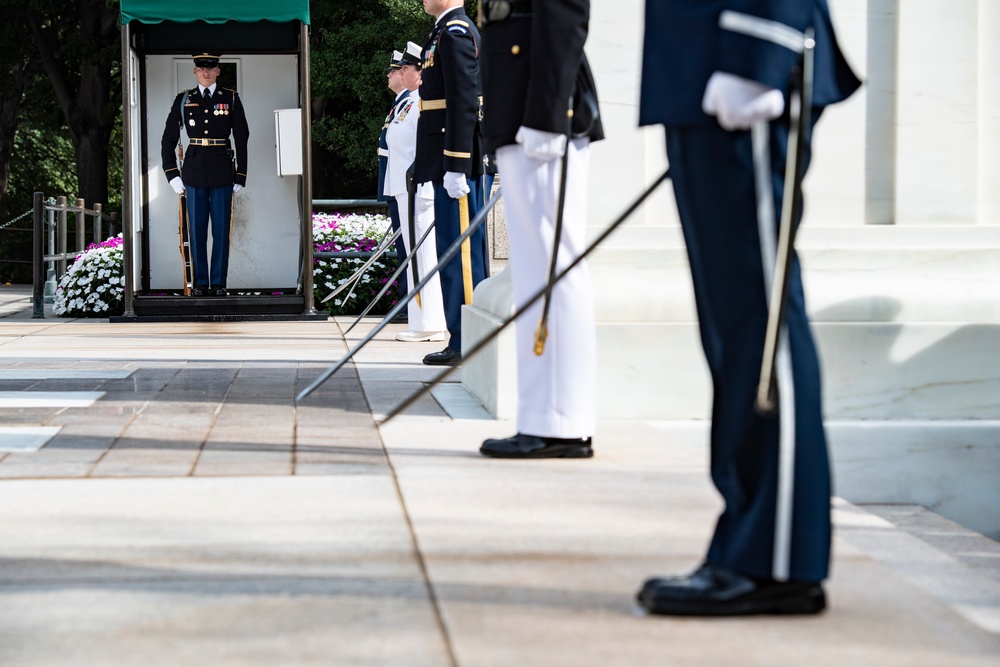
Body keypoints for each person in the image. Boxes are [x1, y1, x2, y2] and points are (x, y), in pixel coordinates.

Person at [635, 1, 861, 615]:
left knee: (761, 328)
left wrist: (759, 47)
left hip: (739, 59)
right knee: (737, 329)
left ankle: (776, 554)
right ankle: (752, 541)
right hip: (701, 68)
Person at [477, 0, 603, 459]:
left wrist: (549, 114)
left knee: (554, 267)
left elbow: (565, 11)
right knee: (535, 270)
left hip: (540, 112)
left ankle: (562, 421)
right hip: (520, 105)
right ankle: (544, 418)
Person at [414, 0, 489, 366]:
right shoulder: (443, 32)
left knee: (462, 255)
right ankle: (461, 336)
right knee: (451, 252)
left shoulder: (455, 32)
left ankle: (468, 340)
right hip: (443, 158)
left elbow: (464, 101)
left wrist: (457, 164)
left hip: (453, 162)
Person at [160, 52, 250, 297]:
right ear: (195, 71)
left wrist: (240, 173)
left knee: (221, 230)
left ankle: (219, 283)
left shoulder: (230, 98)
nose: (206, 72)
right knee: (197, 230)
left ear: (219, 70)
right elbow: (169, 138)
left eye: (211, 68)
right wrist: (171, 174)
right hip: (194, 170)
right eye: (201, 68)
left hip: (222, 170)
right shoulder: (184, 100)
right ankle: (200, 283)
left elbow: (241, 137)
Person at [384, 42, 448, 342]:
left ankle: (431, 322)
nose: (402, 72)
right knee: (414, 256)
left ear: (419, 73)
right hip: (403, 185)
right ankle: (421, 320)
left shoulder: (422, 101)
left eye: (407, 68)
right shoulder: (408, 103)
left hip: (417, 187)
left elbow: (427, 145)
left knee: (424, 255)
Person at [378, 50, 411, 302]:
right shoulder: (400, 103)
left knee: (408, 246)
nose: (390, 75)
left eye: (395, 70)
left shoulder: (410, 103)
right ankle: (406, 299)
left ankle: (409, 300)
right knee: (403, 247)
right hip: (395, 181)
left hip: (404, 182)